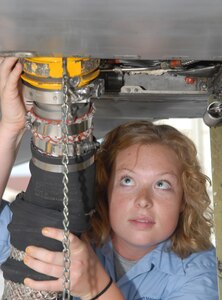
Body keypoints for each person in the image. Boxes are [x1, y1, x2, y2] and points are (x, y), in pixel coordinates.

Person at [0, 57, 218, 299]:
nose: (143, 200)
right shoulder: (72, 231)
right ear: (105, 189)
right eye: (127, 181)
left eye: (161, 184)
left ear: (183, 202)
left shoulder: (196, 269)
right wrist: (11, 128)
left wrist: (97, 287)